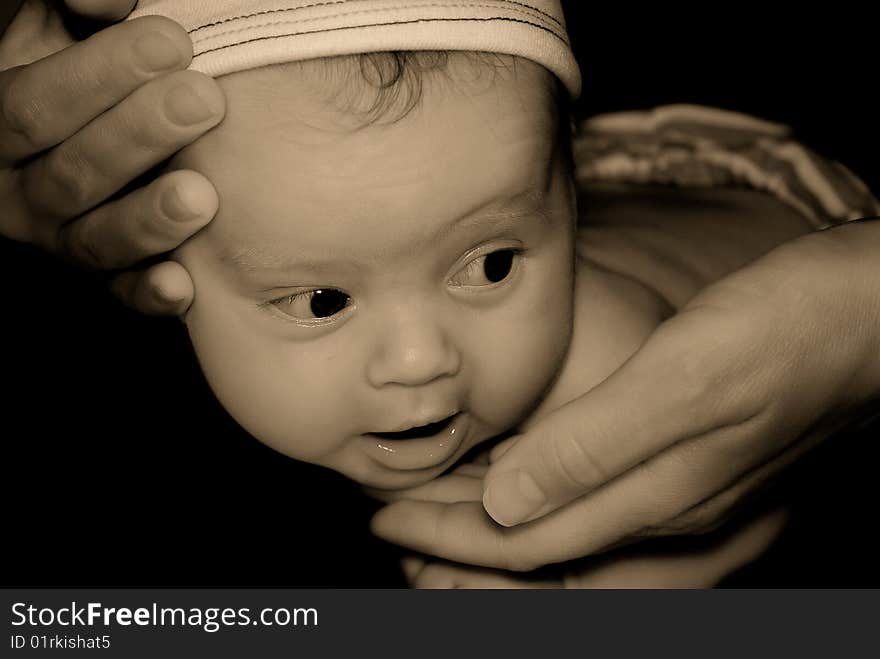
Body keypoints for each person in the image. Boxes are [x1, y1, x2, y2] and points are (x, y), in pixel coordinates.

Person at [3, 0, 879, 586]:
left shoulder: (612, 375)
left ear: (569, 205)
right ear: (160, 274)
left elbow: (751, 490)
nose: (422, 358)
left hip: (783, 209)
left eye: (494, 266)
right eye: (321, 301)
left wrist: (600, 580)